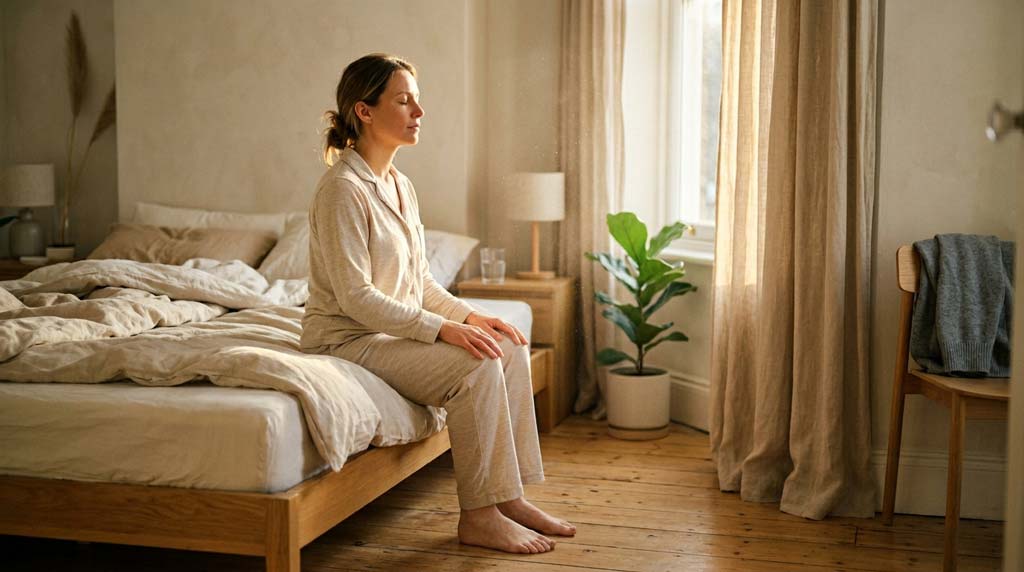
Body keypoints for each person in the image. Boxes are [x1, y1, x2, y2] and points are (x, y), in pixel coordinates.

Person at [300, 53, 576, 555]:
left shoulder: (400, 185)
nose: (418, 112)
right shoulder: (341, 190)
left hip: (388, 332)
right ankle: (479, 516)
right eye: (403, 101)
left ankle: (508, 498)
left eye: (416, 100)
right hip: (347, 339)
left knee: (506, 346)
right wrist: (441, 331)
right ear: (364, 111)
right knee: (474, 367)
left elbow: (420, 281)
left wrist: (470, 316)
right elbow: (356, 298)